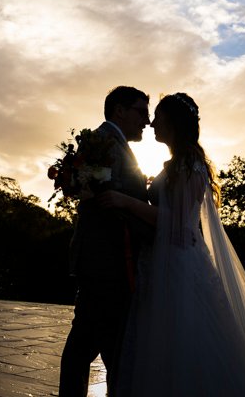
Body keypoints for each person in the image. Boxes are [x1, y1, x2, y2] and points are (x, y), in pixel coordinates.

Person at [97, 93, 245, 396]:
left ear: (174, 123)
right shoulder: (178, 163)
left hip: (179, 264)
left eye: (159, 117)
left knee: (183, 340)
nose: (151, 123)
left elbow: (174, 221)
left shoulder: (190, 164)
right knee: (162, 342)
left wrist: (125, 201)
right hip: (162, 259)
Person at [59, 86, 152, 397]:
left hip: (104, 260)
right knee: (98, 345)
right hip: (107, 260)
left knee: (99, 342)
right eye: (141, 111)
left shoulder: (110, 142)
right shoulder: (105, 142)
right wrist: (155, 226)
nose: (147, 120)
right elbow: (108, 203)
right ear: (119, 111)